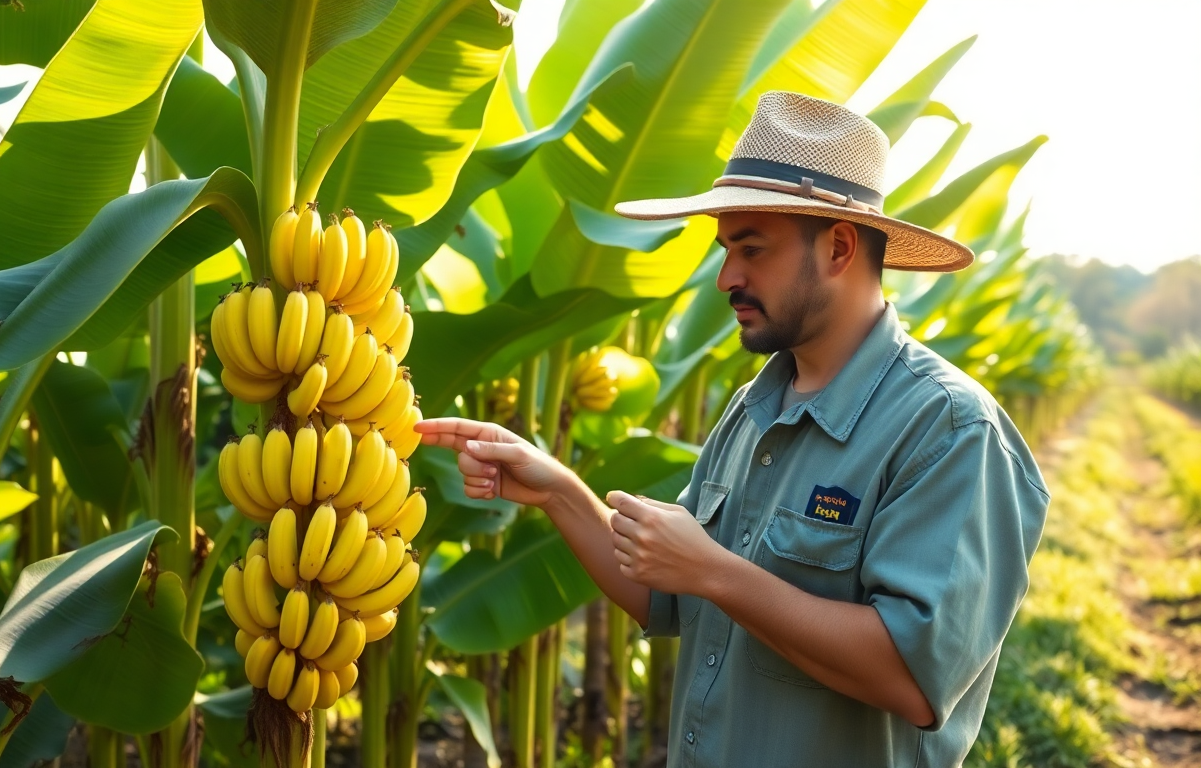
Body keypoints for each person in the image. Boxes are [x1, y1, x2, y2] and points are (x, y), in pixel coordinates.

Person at [415, 91, 1050, 768]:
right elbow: (667, 595)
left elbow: (912, 678)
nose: (726, 278)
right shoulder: (753, 408)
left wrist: (716, 572)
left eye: (751, 249)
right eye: (725, 250)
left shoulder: (947, 428)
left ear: (838, 248)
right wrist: (559, 493)